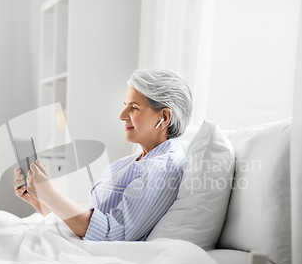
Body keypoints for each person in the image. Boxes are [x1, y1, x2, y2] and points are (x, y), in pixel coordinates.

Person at [14, 69, 193, 241]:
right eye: (125, 106)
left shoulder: (160, 169)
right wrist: (39, 198)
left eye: (134, 108)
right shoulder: (136, 161)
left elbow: (110, 233)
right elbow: (85, 225)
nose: (122, 116)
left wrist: (51, 194)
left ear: (165, 118)